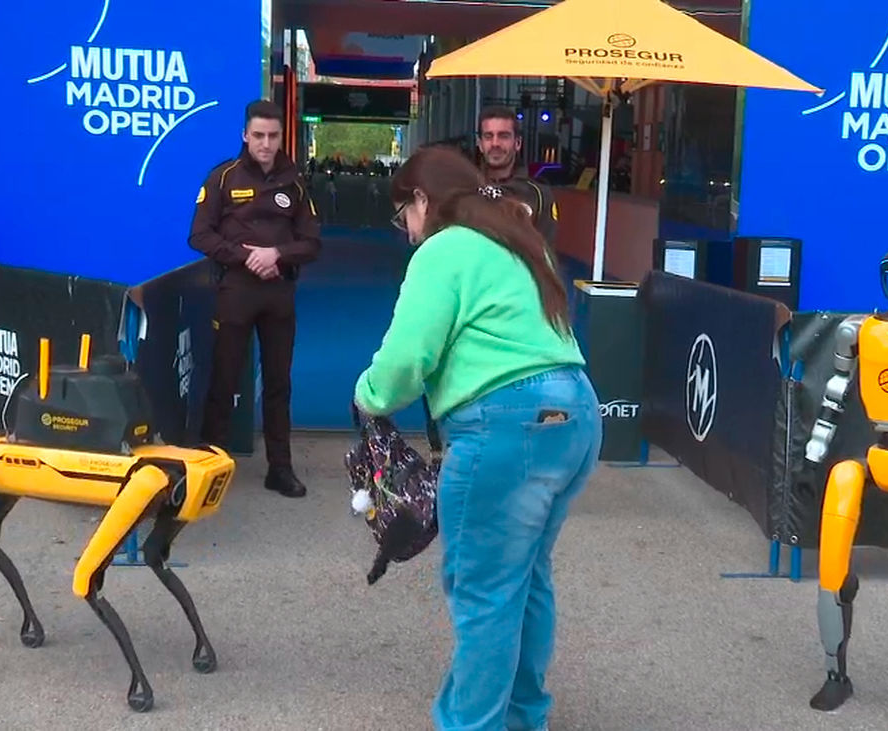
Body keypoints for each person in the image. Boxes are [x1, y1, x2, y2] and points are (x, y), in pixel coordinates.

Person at [352, 145, 602, 731]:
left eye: (403, 214)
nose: (406, 231)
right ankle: (521, 717)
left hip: (505, 424)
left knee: (484, 589)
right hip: (577, 417)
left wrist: (367, 395)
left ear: (422, 200)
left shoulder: (444, 249)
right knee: (527, 577)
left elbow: (405, 361)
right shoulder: (520, 238)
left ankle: (472, 724)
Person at [189, 99, 320, 498]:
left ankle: (280, 469)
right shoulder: (223, 178)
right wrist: (248, 256)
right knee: (225, 378)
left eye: (273, 136)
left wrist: (277, 255)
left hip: (279, 292)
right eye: (258, 135)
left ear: (282, 138)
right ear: (245, 135)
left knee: (279, 384)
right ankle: (211, 467)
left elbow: (312, 242)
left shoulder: (295, 182)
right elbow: (199, 235)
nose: (265, 143)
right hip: (237, 291)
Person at [477, 106, 559, 246]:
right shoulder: (465, 187)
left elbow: (545, 254)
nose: (495, 143)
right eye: (488, 136)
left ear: (518, 143)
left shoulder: (538, 195)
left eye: (504, 136)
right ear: (480, 144)